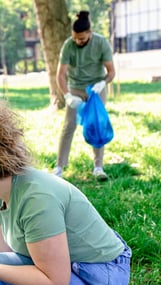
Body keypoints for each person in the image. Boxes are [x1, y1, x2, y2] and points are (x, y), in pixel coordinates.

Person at [0, 97, 131, 285]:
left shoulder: (36, 199)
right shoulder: (3, 188)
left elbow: (55, 282)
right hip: (76, 272)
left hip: (101, 281)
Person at [53, 10, 116, 181]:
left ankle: (98, 167)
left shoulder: (101, 43)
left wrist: (103, 83)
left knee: (97, 125)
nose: (77, 41)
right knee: (69, 126)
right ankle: (59, 167)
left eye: (80, 38)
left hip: (96, 89)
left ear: (89, 33)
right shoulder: (68, 45)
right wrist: (67, 96)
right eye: (74, 38)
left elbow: (111, 72)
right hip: (75, 88)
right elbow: (60, 75)